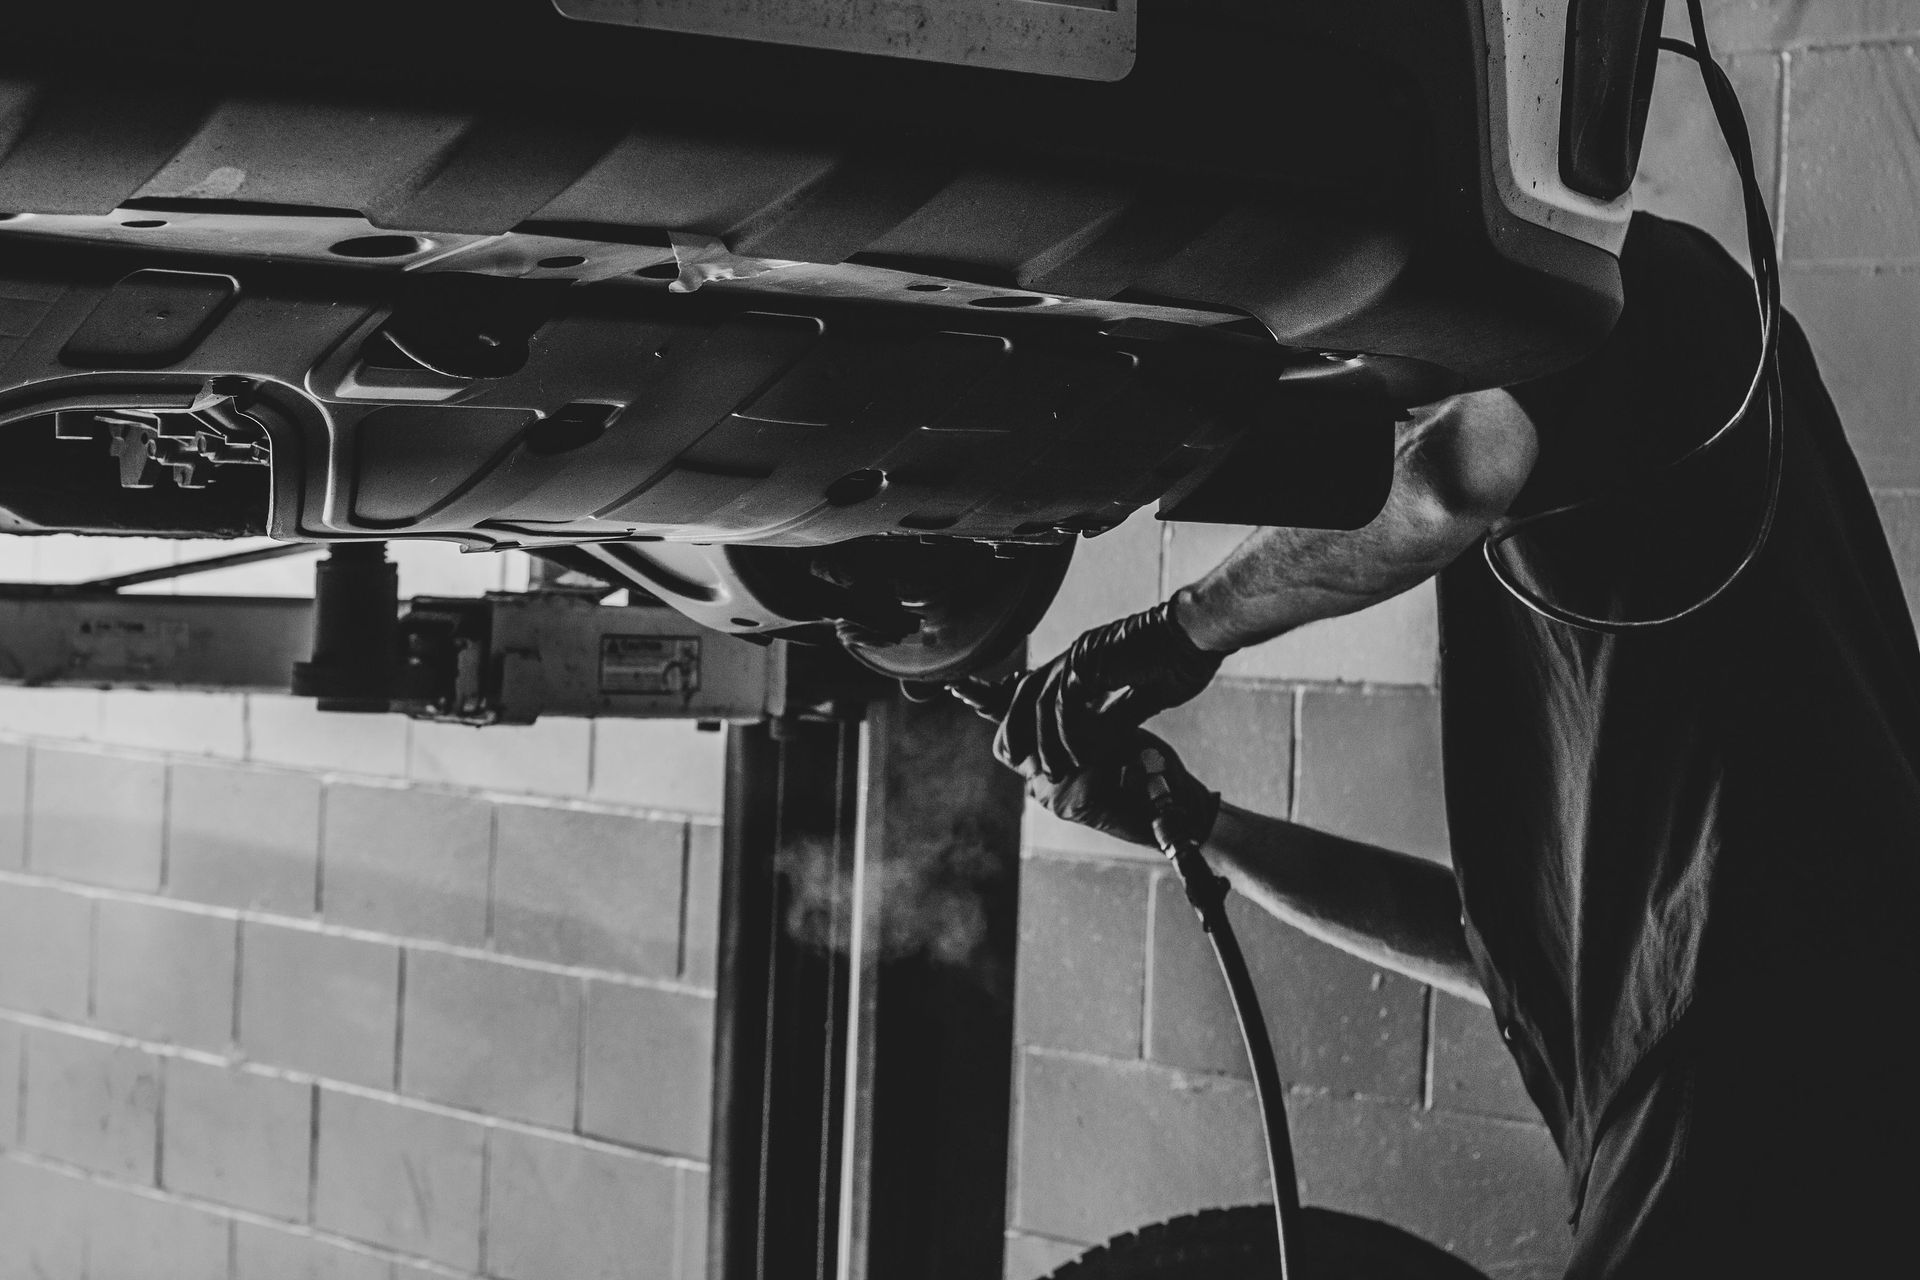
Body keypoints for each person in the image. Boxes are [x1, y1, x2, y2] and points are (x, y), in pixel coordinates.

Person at [973, 212, 1920, 1279]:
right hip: (1759, 1091)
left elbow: (1446, 480)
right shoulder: (1625, 582)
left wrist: (1179, 630)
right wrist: (1209, 827)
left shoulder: (1627, 282)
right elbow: (1497, 954)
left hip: (1779, 1086)